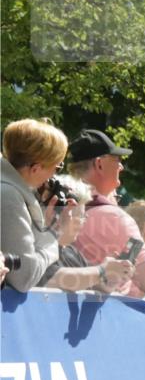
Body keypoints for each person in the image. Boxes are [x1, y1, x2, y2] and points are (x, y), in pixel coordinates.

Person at [69, 129, 145, 296]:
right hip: (105, 317)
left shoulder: (56, 204)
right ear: (99, 164)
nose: (121, 166)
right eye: (117, 159)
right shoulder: (115, 217)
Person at [1, 119, 78, 292]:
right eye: (57, 167)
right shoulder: (9, 196)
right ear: (35, 168)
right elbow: (24, 278)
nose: (54, 177)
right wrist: (53, 233)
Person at [39, 174, 132, 292]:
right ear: (65, 212)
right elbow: (52, 277)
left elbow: (93, 283)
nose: (85, 220)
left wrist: (114, 275)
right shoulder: (40, 247)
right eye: (82, 215)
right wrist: (103, 270)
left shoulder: (72, 252)